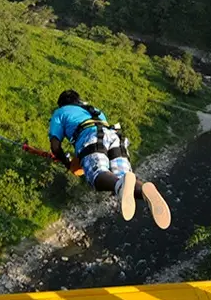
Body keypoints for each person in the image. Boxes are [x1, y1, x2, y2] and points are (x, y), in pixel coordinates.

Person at [48, 90, 172, 229]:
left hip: (90, 137)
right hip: (114, 136)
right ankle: (144, 190)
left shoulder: (60, 113)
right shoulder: (93, 110)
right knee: (123, 178)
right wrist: (77, 162)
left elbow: (55, 146)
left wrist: (66, 162)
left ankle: (119, 186)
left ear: (61, 104)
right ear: (78, 100)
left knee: (98, 174)